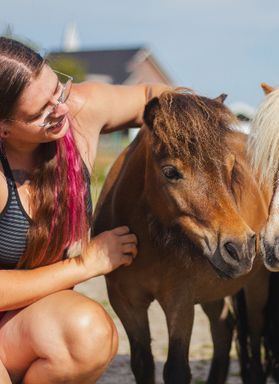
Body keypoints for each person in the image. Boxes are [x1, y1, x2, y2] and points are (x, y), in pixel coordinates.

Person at [0, 36, 170, 383]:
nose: (60, 109)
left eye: (57, 90)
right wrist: (85, 264)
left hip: (16, 328)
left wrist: (202, 113)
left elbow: (152, 97)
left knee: (88, 335)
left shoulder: (77, 112)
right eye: (40, 113)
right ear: (3, 128)